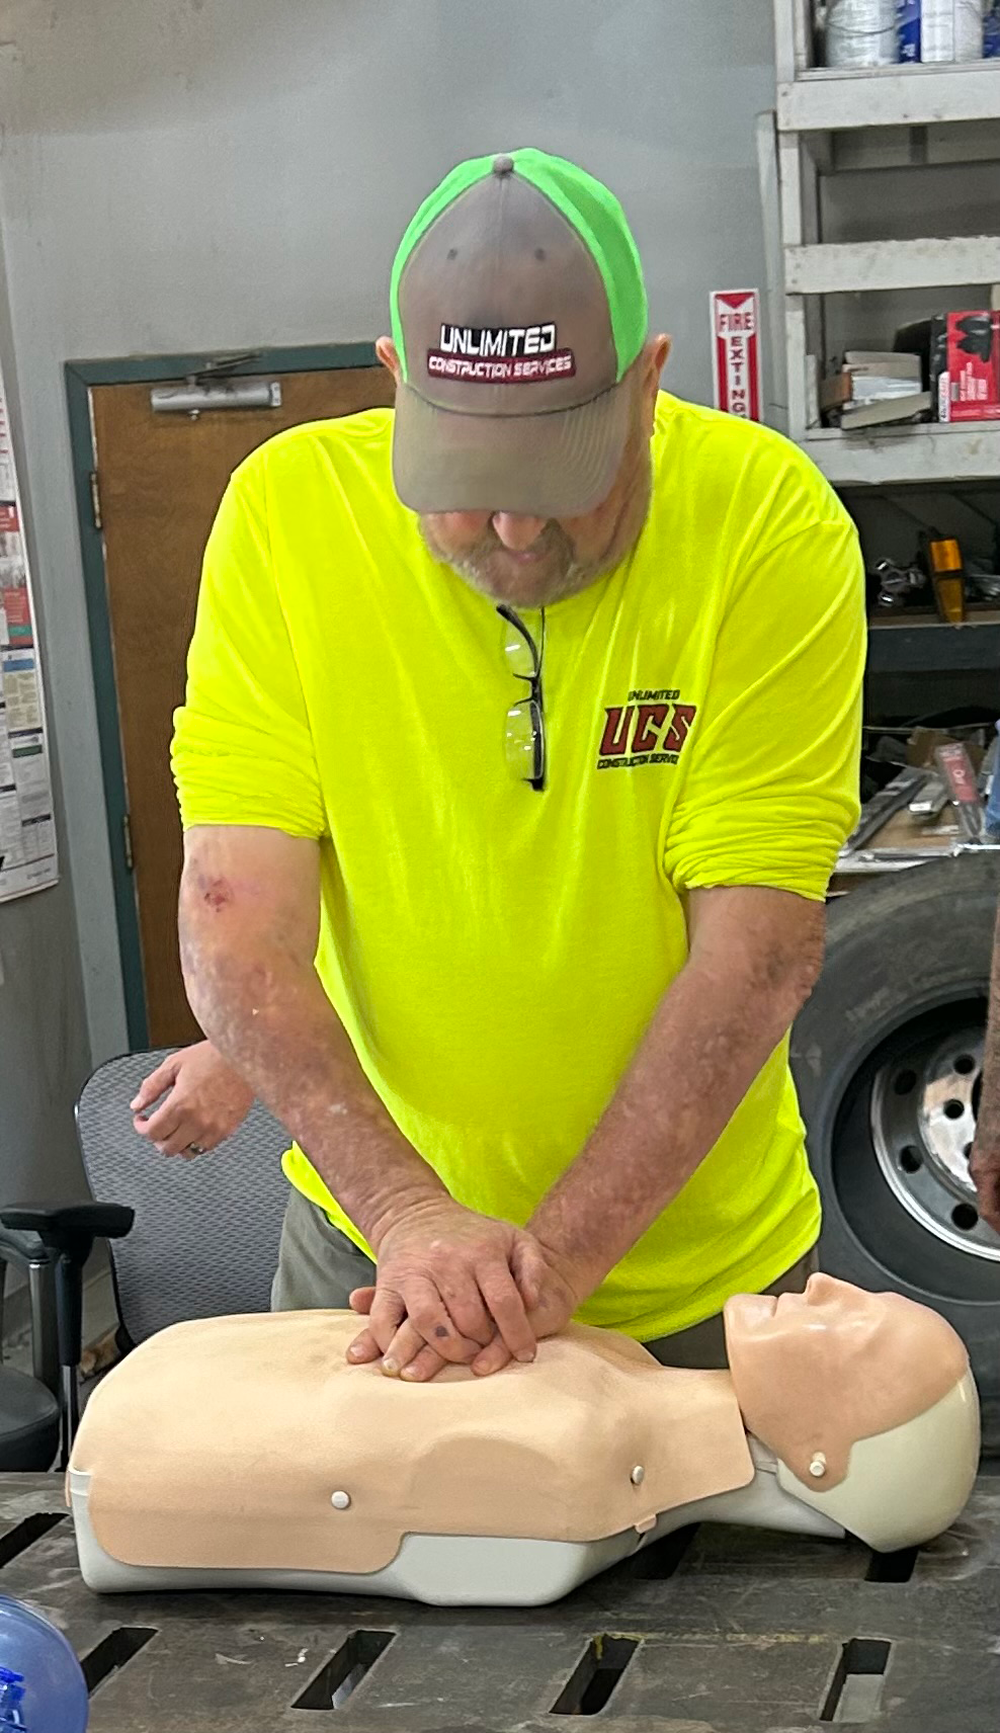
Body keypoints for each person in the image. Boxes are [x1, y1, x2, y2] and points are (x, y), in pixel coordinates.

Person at [170, 147, 866, 1385]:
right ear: (396, 388)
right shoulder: (285, 518)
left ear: (647, 387)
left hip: (698, 1280)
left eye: (559, 480)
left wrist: (536, 1272)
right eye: (470, 487)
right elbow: (237, 925)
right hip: (370, 1254)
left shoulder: (766, 524)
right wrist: (410, 1216)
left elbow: (755, 955)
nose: (514, 532)